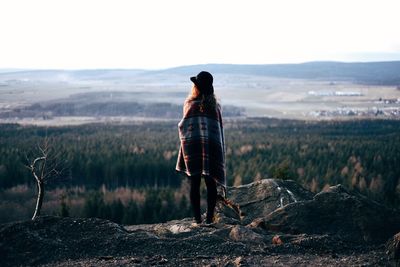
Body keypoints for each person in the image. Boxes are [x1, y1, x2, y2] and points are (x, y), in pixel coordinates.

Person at [176, 71, 226, 225]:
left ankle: (198, 219)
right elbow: (218, 131)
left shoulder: (189, 104)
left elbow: (183, 127)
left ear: (196, 87)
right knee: (210, 183)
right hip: (210, 149)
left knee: (194, 183)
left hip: (193, 149)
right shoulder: (215, 107)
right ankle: (209, 218)